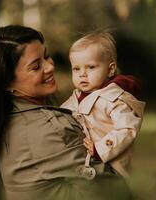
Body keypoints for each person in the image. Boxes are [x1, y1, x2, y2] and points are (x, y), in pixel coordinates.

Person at [0, 25, 132, 200]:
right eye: (36, 66)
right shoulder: (49, 129)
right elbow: (115, 192)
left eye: (46, 56)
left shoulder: (12, 116)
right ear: (7, 83)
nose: (50, 66)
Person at [61, 30, 145, 178]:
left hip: (113, 165)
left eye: (91, 67)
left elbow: (127, 128)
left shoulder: (113, 99)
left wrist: (101, 148)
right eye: (76, 68)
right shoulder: (76, 97)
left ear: (110, 69)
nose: (82, 74)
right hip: (86, 163)